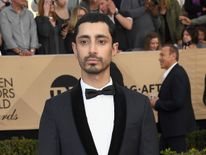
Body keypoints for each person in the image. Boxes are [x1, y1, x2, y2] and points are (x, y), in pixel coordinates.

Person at [38, 13, 159, 155]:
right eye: (84, 42)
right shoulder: (55, 108)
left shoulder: (140, 105)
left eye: (101, 41)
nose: (92, 50)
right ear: (75, 49)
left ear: (114, 49)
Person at [150, 44, 196, 153]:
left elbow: (177, 102)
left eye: (162, 55)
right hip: (171, 129)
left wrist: (157, 103)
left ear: (173, 56)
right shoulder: (173, 73)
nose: (159, 58)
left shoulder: (177, 74)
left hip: (176, 130)